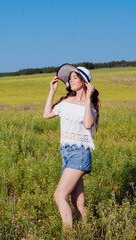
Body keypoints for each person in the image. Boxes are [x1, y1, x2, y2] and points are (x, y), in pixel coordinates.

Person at [43, 64, 100, 229]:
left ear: (84, 81)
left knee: (59, 195)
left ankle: (69, 235)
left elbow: (88, 124)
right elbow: (47, 114)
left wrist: (88, 97)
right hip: (66, 154)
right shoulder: (66, 101)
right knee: (79, 202)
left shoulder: (89, 106)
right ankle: (88, 233)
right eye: (70, 78)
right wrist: (52, 91)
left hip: (79, 154)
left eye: (75, 77)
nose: (71, 80)